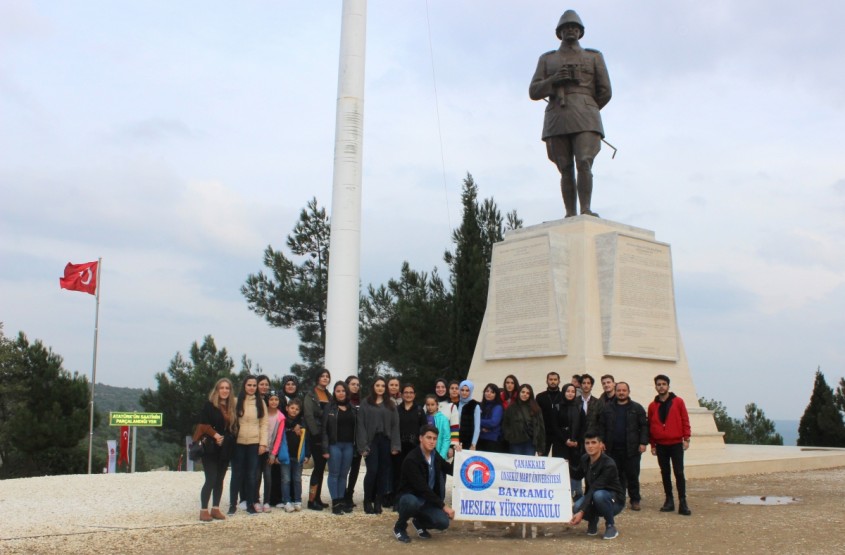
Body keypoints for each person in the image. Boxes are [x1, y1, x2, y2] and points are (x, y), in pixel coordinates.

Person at [529, 9, 611, 218]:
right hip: (558, 116)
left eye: (575, 27)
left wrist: (587, 105)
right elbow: (534, 91)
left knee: (584, 161)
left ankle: (585, 209)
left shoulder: (593, 57)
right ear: (560, 32)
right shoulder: (547, 60)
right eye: (566, 28)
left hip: (586, 115)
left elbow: (605, 91)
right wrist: (554, 80)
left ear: (581, 31)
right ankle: (570, 213)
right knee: (565, 167)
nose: (571, 31)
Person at [393, 425, 455, 544]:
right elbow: (422, 488)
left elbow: (450, 469)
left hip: (427, 501)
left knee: (443, 523)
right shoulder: (412, 459)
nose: (432, 441)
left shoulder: (435, 455)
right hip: (409, 498)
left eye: (434, 439)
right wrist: (444, 506)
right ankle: (399, 527)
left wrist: (458, 455)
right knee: (411, 502)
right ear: (421, 438)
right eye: (429, 438)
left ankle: (419, 522)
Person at [597, 382, 648, 511]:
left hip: (632, 448)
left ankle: (635, 500)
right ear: (616, 391)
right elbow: (601, 426)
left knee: (632, 475)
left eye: (624, 390)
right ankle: (619, 500)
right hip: (613, 449)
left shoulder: (637, 408)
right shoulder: (607, 408)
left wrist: (643, 443)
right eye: (619, 390)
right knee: (616, 476)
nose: (621, 393)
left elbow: (644, 426)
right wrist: (601, 441)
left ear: (628, 392)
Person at [648, 374, 692, 516]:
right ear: (655, 387)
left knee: (679, 472)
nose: (661, 386)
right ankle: (669, 500)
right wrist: (652, 444)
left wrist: (687, 438)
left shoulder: (678, 402)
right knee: (665, 473)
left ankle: (683, 502)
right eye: (659, 384)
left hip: (675, 443)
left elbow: (685, 419)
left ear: (668, 386)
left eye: (663, 384)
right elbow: (651, 426)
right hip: (661, 444)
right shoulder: (652, 406)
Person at [570, 432, 625, 540]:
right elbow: (577, 475)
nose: (590, 446)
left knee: (598, 495)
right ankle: (593, 520)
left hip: (614, 501)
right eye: (587, 443)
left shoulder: (609, 464)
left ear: (601, 445)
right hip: (594, 497)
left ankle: (610, 526)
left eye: (594, 442)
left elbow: (595, 487)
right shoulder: (585, 459)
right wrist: (565, 466)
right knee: (576, 507)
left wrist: (582, 512)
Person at [357, 377, 401, 514]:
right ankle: (367, 501)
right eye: (378, 385)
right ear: (373, 387)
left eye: (383, 385)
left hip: (385, 441)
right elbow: (361, 425)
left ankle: (378, 501)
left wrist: (395, 445)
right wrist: (362, 446)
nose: (380, 388)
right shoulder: (365, 403)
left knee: (383, 472)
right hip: (371, 441)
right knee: (372, 471)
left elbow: (395, 426)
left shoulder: (390, 404)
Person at [195, 378, 236, 521]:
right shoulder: (209, 406)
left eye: (227, 388)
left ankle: (216, 508)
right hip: (211, 447)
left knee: (220, 479)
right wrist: (215, 435)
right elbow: (202, 424)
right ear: (217, 390)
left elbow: (233, 426)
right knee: (211, 479)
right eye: (222, 388)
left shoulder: (231, 407)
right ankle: (203, 509)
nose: (224, 390)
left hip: (225, 447)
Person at [228, 375, 267, 516]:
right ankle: (233, 504)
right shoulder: (236, 402)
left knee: (252, 475)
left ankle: (251, 504)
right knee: (237, 474)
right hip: (238, 443)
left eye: (254, 385)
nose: (251, 388)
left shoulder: (260, 403)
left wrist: (263, 443)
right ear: (244, 386)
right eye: (249, 385)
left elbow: (264, 424)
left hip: (254, 443)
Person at [322, 381, 356, 515]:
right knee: (334, 474)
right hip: (334, 445)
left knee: (343, 475)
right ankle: (335, 502)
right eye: (338, 391)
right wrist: (325, 449)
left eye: (343, 391)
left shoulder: (352, 408)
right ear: (334, 393)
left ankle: (341, 500)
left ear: (346, 392)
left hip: (348, 445)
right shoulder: (330, 408)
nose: (341, 393)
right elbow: (324, 429)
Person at [393, 384, 428, 505]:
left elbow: (424, 430)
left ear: (414, 395)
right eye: (406, 392)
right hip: (399, 447)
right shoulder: (396, 410)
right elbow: (393, 428)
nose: (408, 394)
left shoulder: (419, 410)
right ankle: (398, 500)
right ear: (402, 394)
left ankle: (414, 500)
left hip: (414, 448)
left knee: (414, 474)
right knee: (398, 474)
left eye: (411, 392)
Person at [303, 368, 332, 510]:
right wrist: (316, 433)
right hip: (315, 436)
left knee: (321, 469)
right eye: (322, 376)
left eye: (327, 376)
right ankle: (311, 500)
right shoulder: (310, 395)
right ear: (317, 378)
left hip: (326, 435)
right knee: (317, 468)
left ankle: (318, 498)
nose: (325, 378)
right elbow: (308, 415)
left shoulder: (329, 395)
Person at [263, 390, 288, 511]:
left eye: (276, 400)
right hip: (259, 447)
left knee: (268, 476)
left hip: (271, 450)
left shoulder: (281, 417)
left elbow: (279, 437)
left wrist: (273, 453)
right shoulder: (262, 413)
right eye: (271, 399)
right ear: (267, 401)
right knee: (256, 475)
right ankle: (254, 500)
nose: (274, 402)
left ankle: (266, 501)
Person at [503, 384, 546, 456]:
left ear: (530, 395)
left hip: (530, 443)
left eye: (527, 393)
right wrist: (510, 436)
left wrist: (541, 447)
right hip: (515, 442)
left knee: (527, 465)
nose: (525, 394)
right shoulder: (511, 408)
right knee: (515, 465)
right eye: (523, 392)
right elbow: (505, 424)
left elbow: (541, 428)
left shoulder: (536, 408)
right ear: (519, 393)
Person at [281, 398, 308, 512]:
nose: (294, 411)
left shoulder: (302, 423)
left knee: (297, 479)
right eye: (292, 408)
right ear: (287, 408)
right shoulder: (283, 421)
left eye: (297, 409)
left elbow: (307, 439)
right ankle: (286, 501)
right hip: (285, 455)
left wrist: (307, 454)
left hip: (298, 456)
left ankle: (297, 500)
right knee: (286, 479)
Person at [559, 383, 584, 498]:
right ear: (564, 392)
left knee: (576, 467)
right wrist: (565, 439)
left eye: (573, 391)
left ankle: (577, 492)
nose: (570, 393)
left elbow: (584, 426)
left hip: (576, 444)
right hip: (561, 443)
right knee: (563, 467)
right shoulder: (558, 406)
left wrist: (577, 441)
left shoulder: (579, 407)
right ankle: (563, 492)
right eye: (568, 391)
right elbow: (555, 425)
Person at [343, 374, 363, 509]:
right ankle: (342, 495)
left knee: (355, 469)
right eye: (352, 384)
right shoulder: (342, 401)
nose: (355, 386)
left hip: (358, 441)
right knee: (344, 469)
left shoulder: (362, 402)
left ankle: (350, 494)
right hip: (345, 440)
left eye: (357, 384)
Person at [536, 371, 565, 457]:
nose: (553, 381)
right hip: (544, 434)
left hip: (559, 434)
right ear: (547, 381)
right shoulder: (540, 397)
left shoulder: (563, 396)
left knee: (559, 459)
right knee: (542, 459)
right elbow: (537, 416)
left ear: (559, 381)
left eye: (555, 379)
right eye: (550, 379)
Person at [423, 394, 452, 459]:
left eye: (432, 404)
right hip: (425, 452)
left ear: (437, 405)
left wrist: (441, 456)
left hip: (438, 452)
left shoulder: (443, 419)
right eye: (428, 405)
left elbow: (446, 438)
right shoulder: (423, 417)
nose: (430, 407)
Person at [478, 383, 504, 453]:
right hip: (479, 439)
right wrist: (481, 428)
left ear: (496, 395)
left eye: (492, 392)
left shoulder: (498, 407)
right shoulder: (480, 405)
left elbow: (493, 422)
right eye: (487, 391)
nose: (489, 393)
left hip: (492, 440)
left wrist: (478, 421)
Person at [457, 380, 481, 451]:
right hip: (456, 441)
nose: (464, 392)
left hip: (469, 441)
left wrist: (473, 444)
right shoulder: (456, 404)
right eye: (462, 390)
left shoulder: (475, 406)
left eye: (467, 390)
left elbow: (477, 427)